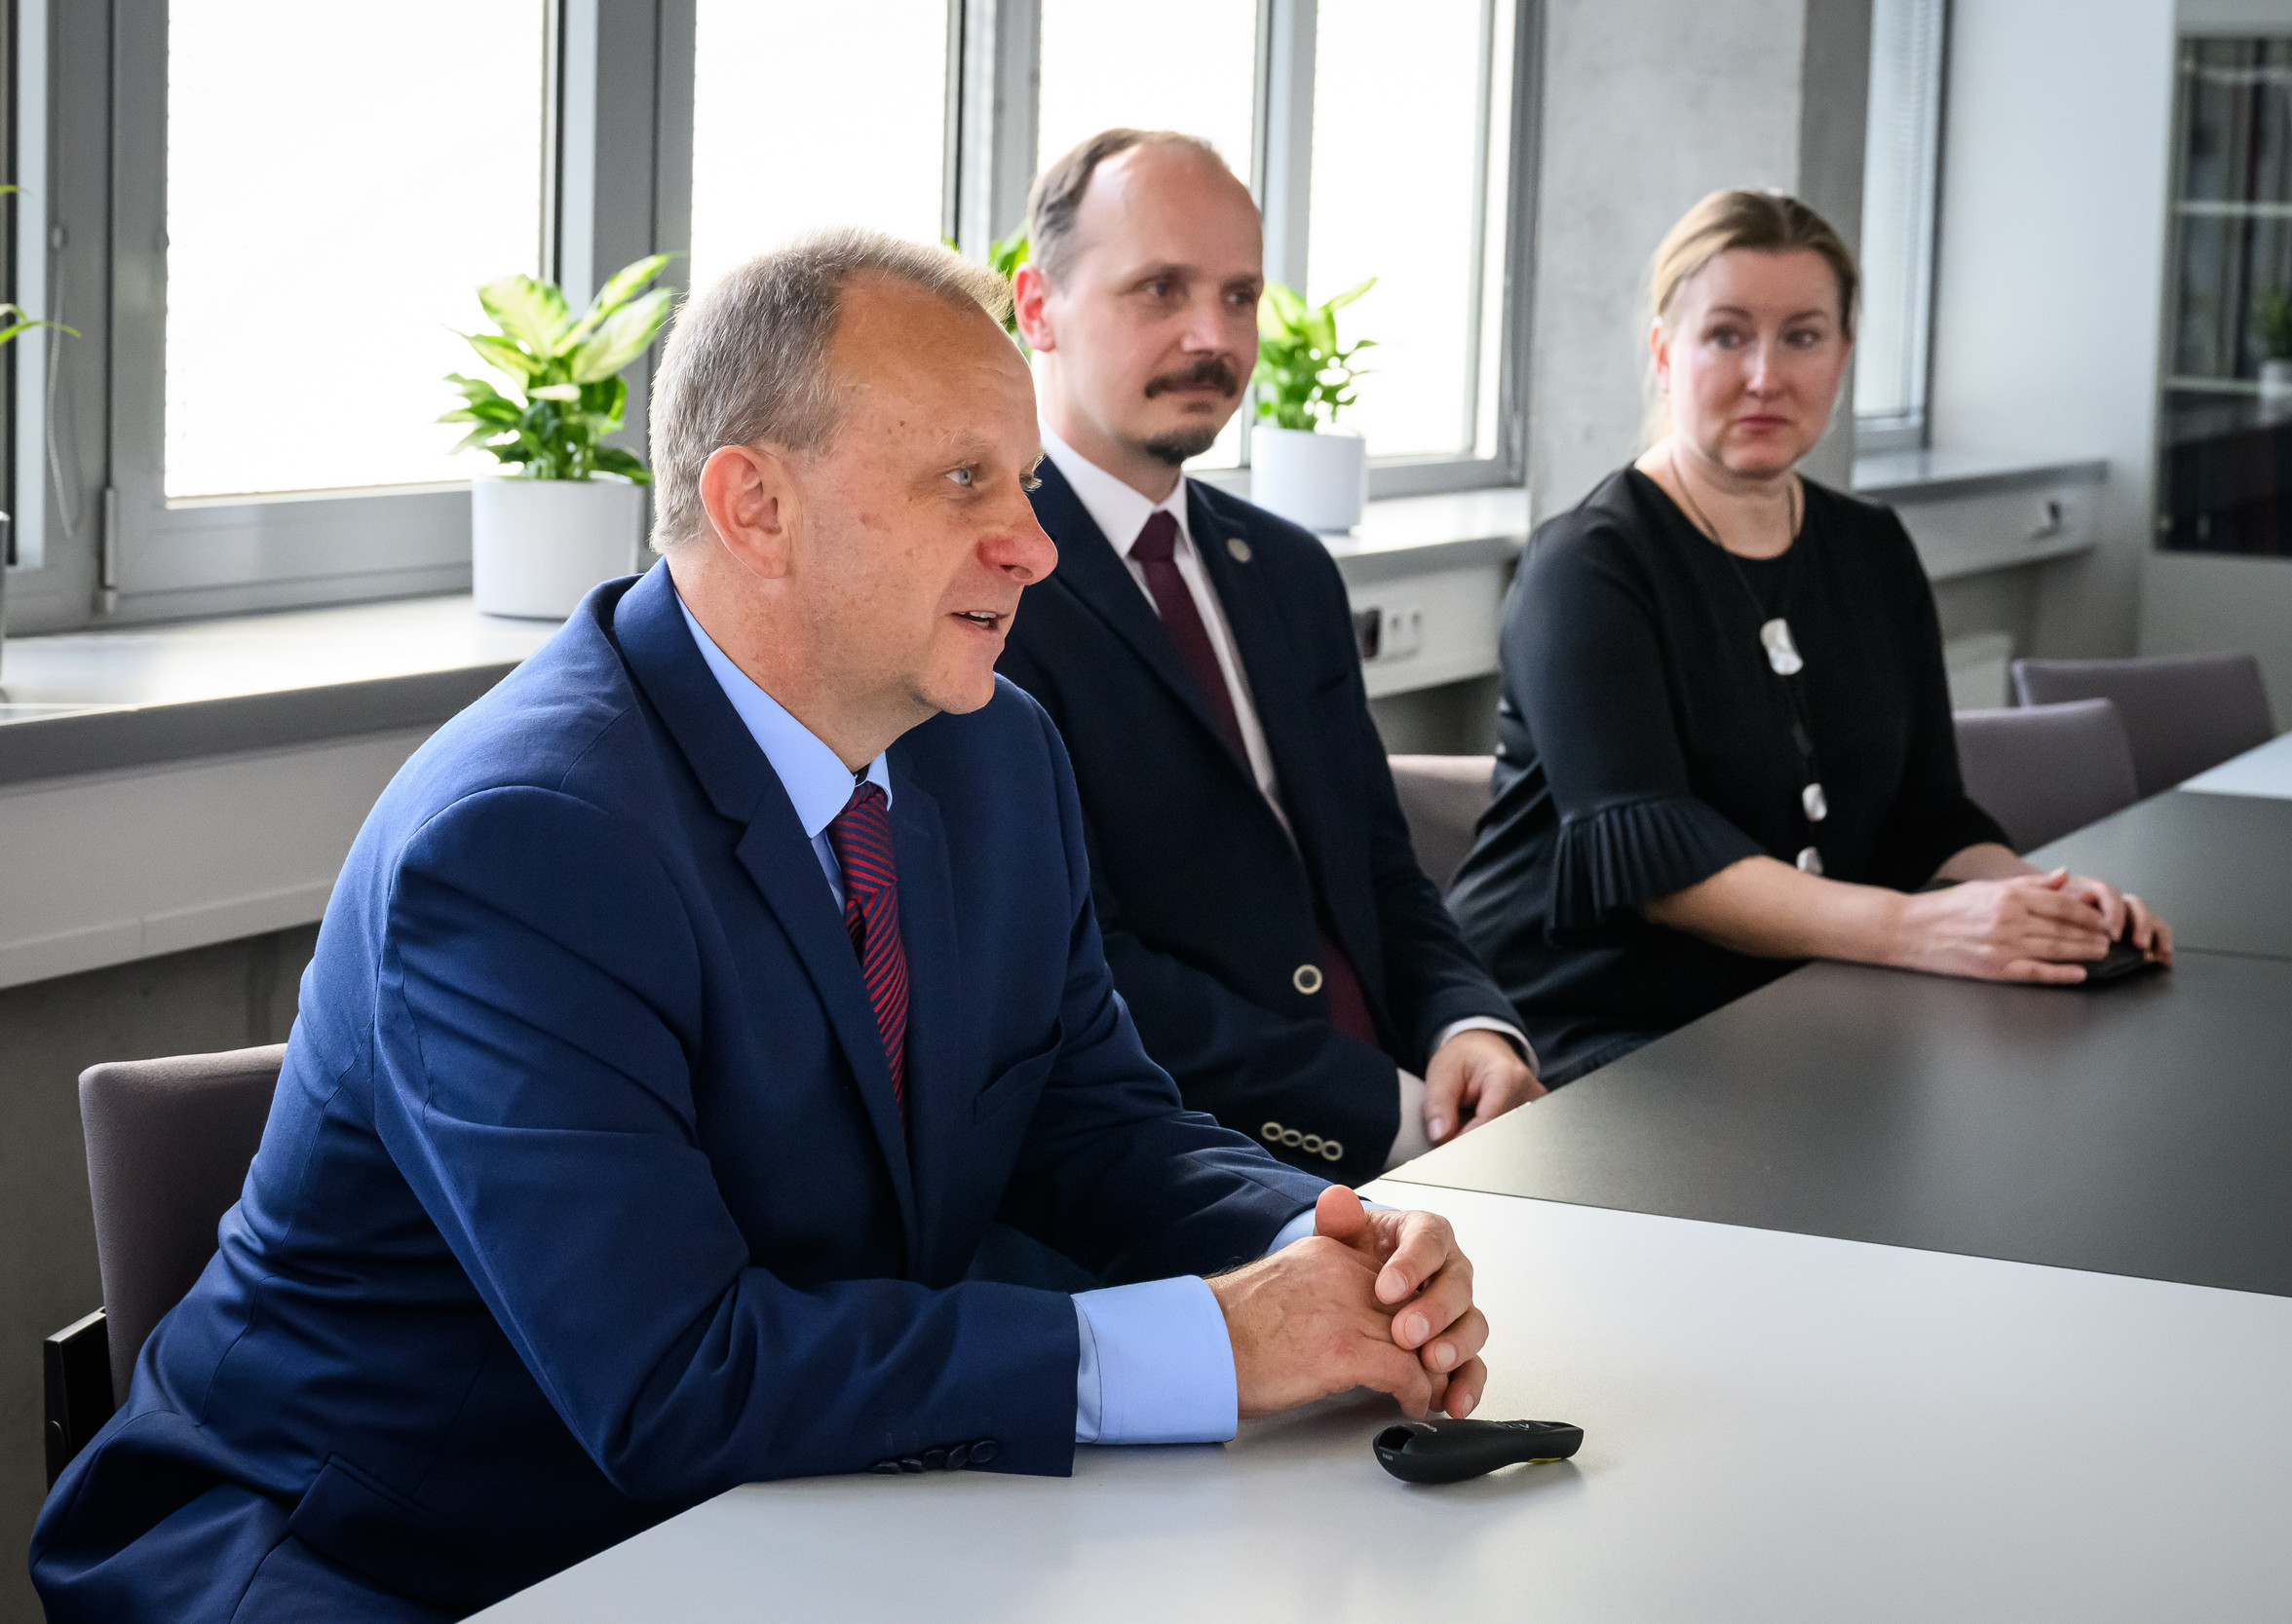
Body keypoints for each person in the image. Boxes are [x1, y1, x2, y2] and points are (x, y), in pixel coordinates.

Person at [31, 231, 1492, 1623]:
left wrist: (1326, 1244)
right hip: (394, 1553)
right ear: (754, 507)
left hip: (776, 1511)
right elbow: (678, 1374)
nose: (1035, 548)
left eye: (1028, 481)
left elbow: (1091, 1118)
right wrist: (1218, 1340)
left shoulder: (994, 750)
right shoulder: (520, 841)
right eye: (965, 480)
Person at [1447, 190, 2172, 1084]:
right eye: (1727, 335)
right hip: (1580, 1027)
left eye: (1802, 336)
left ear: (1843, 355)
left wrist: (2041, 899)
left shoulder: (1873, 548)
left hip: (1794, 1006)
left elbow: (1926, 817)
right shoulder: (1587, 566)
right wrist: (1921, 927)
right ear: (1664, 352)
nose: (1766, 375)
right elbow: (1658, 869)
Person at [998, 130, 1543, 1184]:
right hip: (1200, 1164)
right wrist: (1387, 1116)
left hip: (1423, 1120)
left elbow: (1380, 869)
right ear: (1037, 308)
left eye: (1240, 295)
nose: (1213, 336)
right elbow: (1085, 967)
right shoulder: (992, 591)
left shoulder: (1288, 569)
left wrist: (1469, 1027)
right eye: (1160, 289)